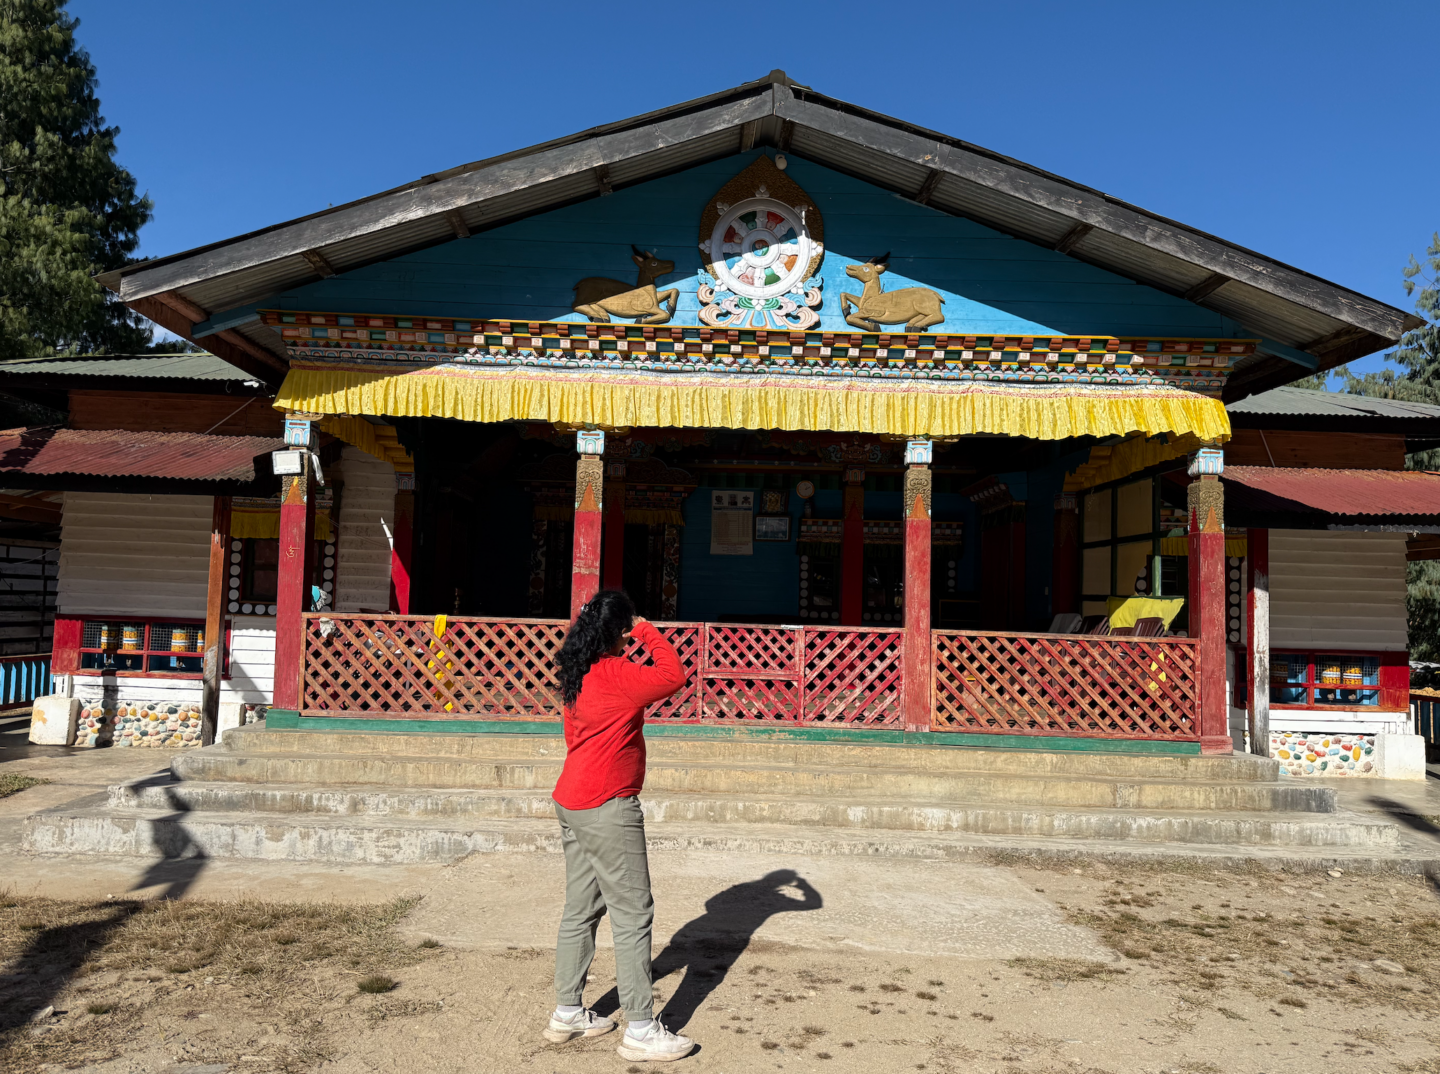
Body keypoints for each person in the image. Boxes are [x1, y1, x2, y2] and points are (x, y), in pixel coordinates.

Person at [542, 589, 694, 1063]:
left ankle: (567, 1011)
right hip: (608, 805)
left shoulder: (578, 674)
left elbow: (572, 737)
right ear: (621, 631)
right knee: (632, 914)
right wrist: (646, 629)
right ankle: (641, 1028)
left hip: (572, 800)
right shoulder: (620, 674)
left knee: (581, 909)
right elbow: (674, 674)